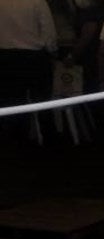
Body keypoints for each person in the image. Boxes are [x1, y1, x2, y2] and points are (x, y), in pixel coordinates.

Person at [0, 0, 57, 142]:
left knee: (12, 103)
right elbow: (48, 31)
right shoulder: (38, 2)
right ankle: (49, 141)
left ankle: (16, 142)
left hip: (5, 56)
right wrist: (52, 50)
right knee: (42, 102)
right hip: (34, 57)